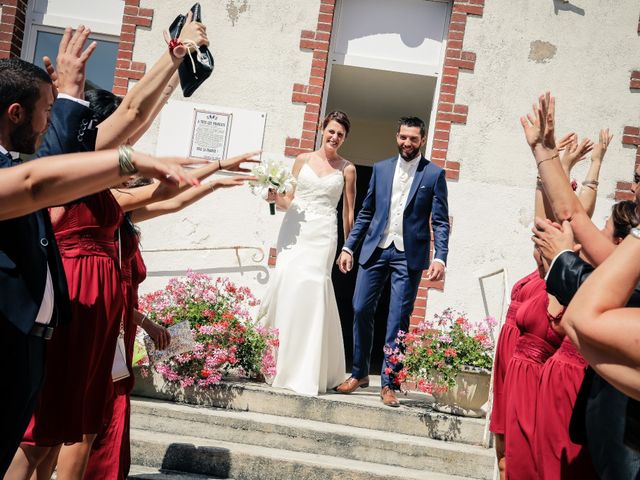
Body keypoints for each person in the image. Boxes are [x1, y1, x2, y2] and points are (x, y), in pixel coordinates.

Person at [0, 37, 197, 476]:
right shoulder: (53, 174)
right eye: (47, 110)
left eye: (57, 111)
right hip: (59, 310)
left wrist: (175, 62)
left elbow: (134, 121)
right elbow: (131, 119)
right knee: (37, 438)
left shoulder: (54, 169)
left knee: (55, 433)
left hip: (63, 320)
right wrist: (139, 158)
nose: (50, 121)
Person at [526, 91, 640, 479]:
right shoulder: (624, 256)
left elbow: (584, 317)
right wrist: (543, 151)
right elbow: (571, 212)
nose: (636, 189)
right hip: (606, 412)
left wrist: (561, 260)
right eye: (637, 179)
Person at [335, 116, 450, 407]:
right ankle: (359, 373)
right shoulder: (381, 169)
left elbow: (440, 221)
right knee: (360, 307)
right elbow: (365, 211)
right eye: (403, 137)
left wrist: (440, 257)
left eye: (413, 139)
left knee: (397, 319)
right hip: (375, 249)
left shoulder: (434, 175)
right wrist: (349, 247)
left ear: (422, 140)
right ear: (396, 136)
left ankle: (389, 383)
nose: (407, 143)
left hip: (407, 255)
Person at [257, 111, 356, 395]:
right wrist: (274, 196)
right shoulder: (302, 160)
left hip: (324, 232)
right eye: (331, 131)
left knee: (313, 287)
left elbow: (348, 212)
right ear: (322, 129)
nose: (335, 137)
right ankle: (278, 363)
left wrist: (348, 247)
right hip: (295, 229)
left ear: (344, 138)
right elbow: (288, 201)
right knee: (287, 281)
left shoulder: (347, 169)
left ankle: (309, 368)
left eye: (340, 134)